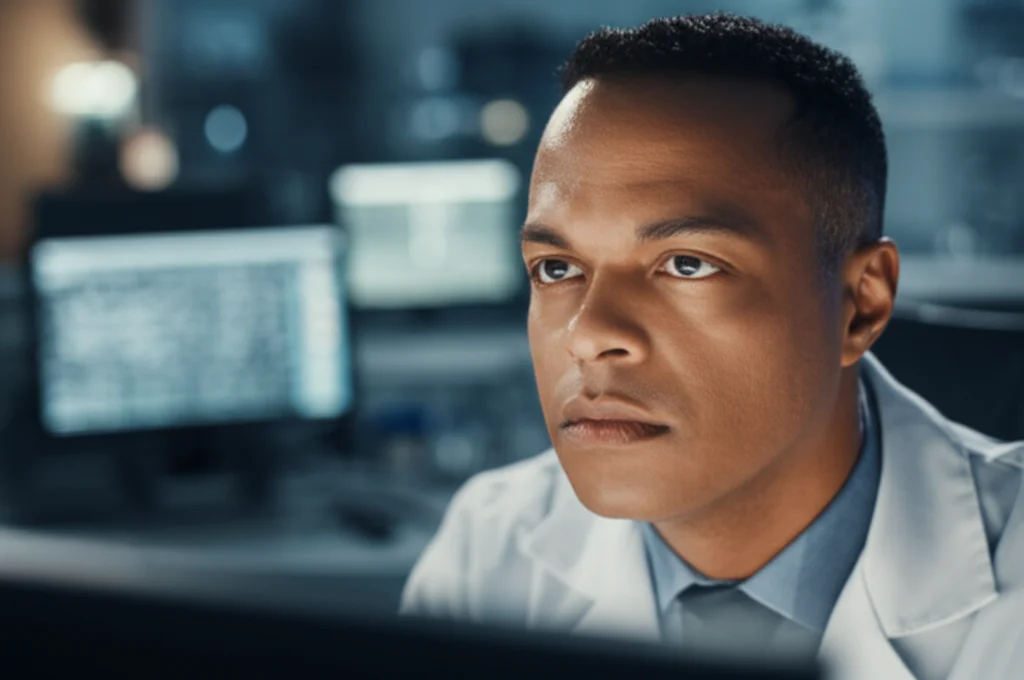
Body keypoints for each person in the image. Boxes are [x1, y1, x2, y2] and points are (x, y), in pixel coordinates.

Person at [400, 14, 1024, 680]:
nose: (588, 334)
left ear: (860, 303)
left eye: (688, 264)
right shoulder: (491, 545)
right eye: (557, 268)